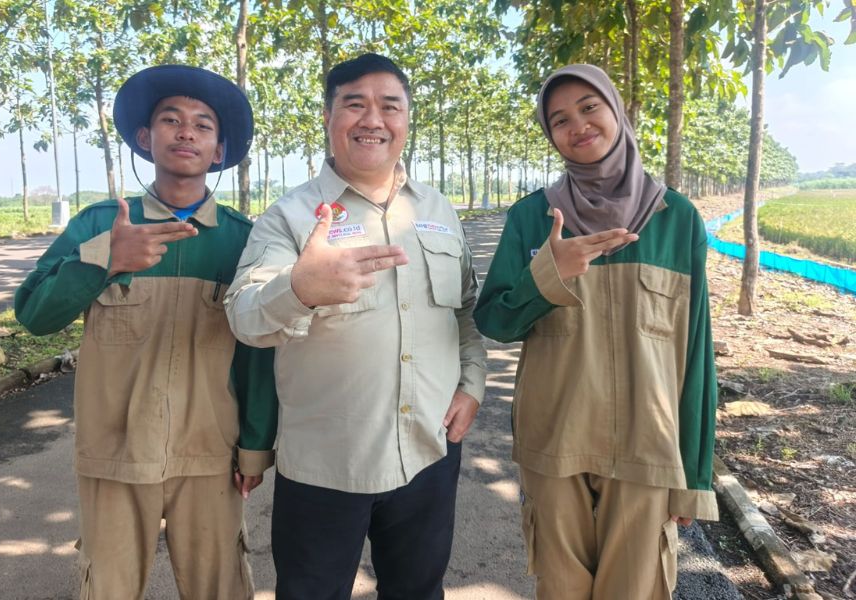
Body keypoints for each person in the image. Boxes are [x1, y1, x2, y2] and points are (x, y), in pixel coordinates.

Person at [224, 53, 487, 600]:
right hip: (327, 466)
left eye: (390, 106)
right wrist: (300, 288)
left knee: (418, 591)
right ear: (328, 116)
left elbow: (463, 308)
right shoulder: (291, 217)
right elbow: (244, 316)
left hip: (429, 451)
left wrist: (472, 383)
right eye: (354, 104)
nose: (373, 119)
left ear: (406, 119)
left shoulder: (437, 208)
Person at [14, 65, 276, 600]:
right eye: (170, 120)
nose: (186, 132)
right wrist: (104, 258)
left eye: (203, 125)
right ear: (144, 137)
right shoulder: (99, 224)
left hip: (210, 454)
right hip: (115, 450)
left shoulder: (243, 241)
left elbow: (257, 354)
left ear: (219, 151)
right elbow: (35, 314)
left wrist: (255, 446)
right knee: (107, 588)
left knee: (220, 587)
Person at [474, 63, 719, 599]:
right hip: (554, 440)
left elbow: (696, 352)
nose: (577, 125)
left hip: (647, 447)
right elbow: (494, 321)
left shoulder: (677, 219)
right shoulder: (532, 218)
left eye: (589, 108)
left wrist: (695, 477)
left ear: (617, 111)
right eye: (559, 120)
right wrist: (549, 275)